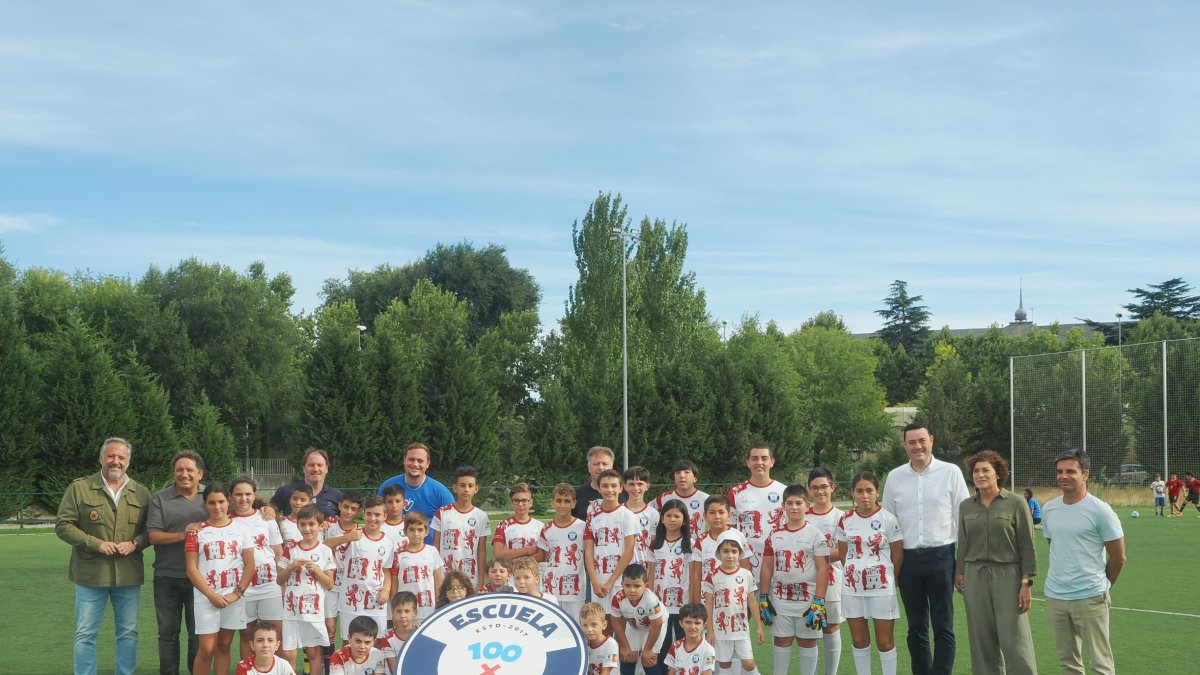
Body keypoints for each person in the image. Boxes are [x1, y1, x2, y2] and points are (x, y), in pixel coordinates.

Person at [56, 436, 151, 675]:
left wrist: (136, 543)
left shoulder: (141, 493)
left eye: (121, 457)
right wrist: (95, 543)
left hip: (128, 575)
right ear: (101, 458)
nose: (115, 461)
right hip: (91, 575)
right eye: (110, 456)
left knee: (128, 633)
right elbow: (63, 525)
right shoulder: (79, 488)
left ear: (128, 461)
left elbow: (152, 530)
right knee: (85, 633)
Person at [881, 422, 969, 675]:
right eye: (911, 442)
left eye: (922, 440)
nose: (917, 446)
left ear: (931, 440)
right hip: (908, 560)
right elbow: (888, 524)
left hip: (942, 556)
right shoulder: (895, 476)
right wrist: (892, 566)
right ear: (905, 445)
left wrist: (960, 566)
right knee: (916, 627)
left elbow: (962, 521)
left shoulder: (950, 472)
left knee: (943, 626)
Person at [1043, 449, 1125, 675]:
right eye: (1059, 471)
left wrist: (1102, 585)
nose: (1063, 476)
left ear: (1085, 475)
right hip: (1056, 596)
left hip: (1090, 596)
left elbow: (1118, 557)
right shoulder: (1049, 509)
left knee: (1100, 665)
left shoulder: (1101, 511)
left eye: (1071, 471)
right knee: (1068, 664)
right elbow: (1055, 545)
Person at [955, 451, 1038, 675]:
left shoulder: (1016, 503)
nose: (980, 475)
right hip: (974, 576)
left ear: (998, 474)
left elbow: (1027, 546)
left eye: (986, 470)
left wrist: (1026, 582)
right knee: (981, 639)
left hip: (1008, 576)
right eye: (976, 471)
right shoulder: (966, 506)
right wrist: (959, 574)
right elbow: (962, 543)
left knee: (1015, 639)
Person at [147, 449, 208, 675]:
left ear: (200, 473)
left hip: (201, 580)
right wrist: (185, 534)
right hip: (167, 577)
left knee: (197, 634)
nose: (184, 474)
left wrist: (268, 508)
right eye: (179, 470)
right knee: (168, 635)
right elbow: (154, 536)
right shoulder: (159, 498)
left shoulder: (211, 496)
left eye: (189, 470)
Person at [186, 483, 256, 675]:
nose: (217, 507)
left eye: (221, 502)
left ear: (228, 501)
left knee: (224, 645)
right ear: (205, 504)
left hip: (233, 597)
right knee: (207, 649)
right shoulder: (196, 532)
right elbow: (191, 569)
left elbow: (250, 565)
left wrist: (237, 593)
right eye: (212, 503)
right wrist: (211, 595)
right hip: (206, 597)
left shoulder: (242, 530)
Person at [837, 471, 904, 675]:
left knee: (884, 642)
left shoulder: (888, 519)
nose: (864, 495)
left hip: (881, 588)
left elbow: (898, 556)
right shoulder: (845, 520)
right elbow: (843, 555)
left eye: (869, 490)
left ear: (877, 492)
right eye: (859, 491)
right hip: (852, 588)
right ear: (853, 493)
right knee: (859, 641)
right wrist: (856, 573)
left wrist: (890, 579)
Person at [760, 484, 829, 675]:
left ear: (807, 505)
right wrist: (763, 597)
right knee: (781, 640)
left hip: (808, 599)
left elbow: (824, 568)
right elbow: (767, 566)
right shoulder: (775, 534)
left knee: (807, 641)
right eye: (790, 503)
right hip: (780, 599)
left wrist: (819, 601)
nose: (794, 507)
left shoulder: (815, 534)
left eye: (799, 503)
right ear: (783, 505)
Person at [230, 476, 284, 663]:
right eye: (238, 494)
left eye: (248, 494)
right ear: (231, 496)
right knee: (246, 635)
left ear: (254, 495)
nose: (243, 499)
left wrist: (282, 583)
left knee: (276, 635)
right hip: (242, 588)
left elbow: (278, 552)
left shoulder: (266, 517)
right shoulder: (227, 521)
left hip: (270, 585)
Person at [277, 504, 336, 675]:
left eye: (311, 524)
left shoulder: (324, 550)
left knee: (312, 651)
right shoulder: (291, 549)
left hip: (313, 610)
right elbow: (279, 579)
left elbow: (330, 584)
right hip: (291, 609)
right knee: (288, 652)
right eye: (303, 524)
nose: (307, 529)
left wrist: (316, 570)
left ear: (320, 525)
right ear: (298, 526)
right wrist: (290, 568)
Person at [702, 531, 764, 675]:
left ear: (740, 553)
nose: (730, 555)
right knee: (724, 664)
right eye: (726, 551)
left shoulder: (746, 574)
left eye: (734, 551)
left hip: (741, 629)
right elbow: (709, 605)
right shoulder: (712, 576)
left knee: (748, 664)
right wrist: (709, 631)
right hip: (720, 630)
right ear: (718, 553)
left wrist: (759, 627)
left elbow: (752, 602)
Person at [336, 496, 396, 638]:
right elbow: (326, 545)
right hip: (351, 600)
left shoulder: (387, 542)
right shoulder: (354, 535)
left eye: (377, 515)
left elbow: (386, 570)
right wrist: (347, 538)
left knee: (378, 640)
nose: (372, 518)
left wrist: (386, 590)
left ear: (384, 516)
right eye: (369, 514)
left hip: (375, 600)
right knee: (349, 640)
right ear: (364, 514)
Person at [804, 468, 845, 675]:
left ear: (832, 487)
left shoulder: (841, 517)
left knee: (831, 627)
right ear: (809, 490)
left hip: (832, 580)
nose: (820, 491)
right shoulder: (802, 515)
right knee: (809, 632)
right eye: (815, 488)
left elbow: (844, 550)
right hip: (805, 582)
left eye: (824, 487)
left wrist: (818, 554)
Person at [727, 443, 786, 581]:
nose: (759, 462)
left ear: (772, 462)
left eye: (764, 458)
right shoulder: (735, 493)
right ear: (748, 462)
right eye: (754, 458)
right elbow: (730, 532)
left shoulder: (784, 491)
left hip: (779, 566)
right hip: (746, 566)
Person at [377, 442, 454, 543]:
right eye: (411, 459)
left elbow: (452, 525)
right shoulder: (387, 486)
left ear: (428, 463)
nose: (415, 464)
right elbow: (376, 515)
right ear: (404, 460)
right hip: (391, 552)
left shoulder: (440, 492)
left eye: (420, 460)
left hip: (427, 554)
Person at [585, 469, 640, 600]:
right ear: (598, 488)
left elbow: (628, 551)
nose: (609, 490)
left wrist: (611, 582)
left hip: (622, 581)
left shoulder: (627, 515)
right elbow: (588, 550)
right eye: (605, 486)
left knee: (619, 620)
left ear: (621, 488)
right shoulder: (592, 516)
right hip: (598, 582)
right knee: (599, 619)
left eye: (614, 486)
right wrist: (594, 581)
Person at [650, 499, 692, 668]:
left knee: (685, 646)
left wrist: (693, 601)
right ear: (662, 518)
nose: (672, 519)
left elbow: (695, 574)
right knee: (661, 646)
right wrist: (651, 598)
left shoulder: (690, 543)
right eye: (668, 515)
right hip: (661, 604)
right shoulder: (655, 544)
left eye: (677, 516)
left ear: (684, 520)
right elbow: (651, 572)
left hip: (683, 603)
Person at [431, 466, 490, 588]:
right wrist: (435, 576)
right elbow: (435, 547)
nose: (466, 489)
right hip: (445, 576)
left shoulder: (481, 516)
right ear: (455, 488)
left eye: (470, 486)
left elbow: (481, 550)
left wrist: (480, 582)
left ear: (476, 489)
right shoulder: (442, 513)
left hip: (471, 578)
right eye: (462, 485)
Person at [689, 495, 754, 604]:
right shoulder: (701, 540)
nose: (717, 516)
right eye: (712, 512)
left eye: (721, 512)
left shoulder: (738, 536)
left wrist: (747, 597)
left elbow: (746, 568)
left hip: (734, 598)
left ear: (729, 515)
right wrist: (696, 602)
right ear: (705, 516)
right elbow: (696, 574)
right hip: (707, 599)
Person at [537, 483, 587, 616]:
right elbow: (544, 556)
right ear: (552, 502)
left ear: (574, 503)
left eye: (567, 501)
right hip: (551, 588)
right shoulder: (546, 528)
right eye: (559, 501)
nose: (563, 505)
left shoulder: (583, 527)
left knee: (575, 626)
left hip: (575, 590)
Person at [610, 563, 667, 675]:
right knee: (628, 656)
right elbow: (616, 623)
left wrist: (648, 649)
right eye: (627, 585)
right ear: (622, 584)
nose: (632, 590)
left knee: (648, 660)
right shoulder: (617, 599)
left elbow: (657, 625)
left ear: (646, 585)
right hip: (634, 625)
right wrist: (625, 646)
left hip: (654, 627)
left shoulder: (651, 600)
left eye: (637, 586)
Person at [392, 511, 444, 622]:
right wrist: (395, 605)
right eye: (412, 530)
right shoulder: (398, 554)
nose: (416, 534)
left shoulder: (432, 551)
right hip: (405, 609)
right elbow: (394, 581)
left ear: (426, 532)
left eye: (420, 530)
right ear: (405, 531)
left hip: (428, 608)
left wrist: (439, 601)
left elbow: (438, 579)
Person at [271, 448, 344, 519]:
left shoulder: (337, 496)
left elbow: (346, 524)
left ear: (327, 469)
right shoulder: (285, 491)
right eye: (311, 465)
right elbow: (269, 512)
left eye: (319, 465)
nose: (315, 469)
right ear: (304, 468)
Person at [653, 460, 709, 539]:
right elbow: (647, 513)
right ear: (674, 478)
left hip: (697, 548)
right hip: (670, 547)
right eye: (678, 473)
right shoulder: (664, 498)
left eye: (686, 472)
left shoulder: (706, 499)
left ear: (695, 478)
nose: (682, 475)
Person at [493, 482, 544, 563]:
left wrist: (517, 561)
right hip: (511, 575)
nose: (520, 504)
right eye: (516, 500)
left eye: (524, 500)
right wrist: (526, 550)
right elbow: (498, 554)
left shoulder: (540, 526)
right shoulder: (502, 525)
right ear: (511, 502)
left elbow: (541, 556)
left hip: (532, 575)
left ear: (530, 502)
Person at [575, 445, 628, 520]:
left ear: (611, 466)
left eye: (605, 464)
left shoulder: (626, 492)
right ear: (588, 467)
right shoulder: (576, 495)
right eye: (596, 464)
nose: (600, 467)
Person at [663, 603, 717, 675]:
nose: (692, 627)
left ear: (704, 625)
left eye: (697, 623)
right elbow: (672, 672)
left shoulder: (708, 650)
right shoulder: (675, 646)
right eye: (688, 622)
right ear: (681, 623)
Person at [624, 466, 661, 569]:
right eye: (631, 484)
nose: (636, 488)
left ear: (647, 486)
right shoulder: (619, 511)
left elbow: (653, 544)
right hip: (621, 567)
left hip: (644, 568)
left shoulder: (653, 514)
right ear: (625, 486)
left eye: (640, 484)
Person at [378, 592, 418, 674]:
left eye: (407, 611)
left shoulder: (420, 633)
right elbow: (395, 671)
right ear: (393, 612)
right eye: (399, 611)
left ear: (415, 613)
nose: (403, 615)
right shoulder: (387, 638)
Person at [583, 602, 620, 675]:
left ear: (604, 625)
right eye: (585, 625)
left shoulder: (611, 644)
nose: (589, 629)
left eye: (594, 625)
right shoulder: (584, 644)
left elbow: (606, 672)